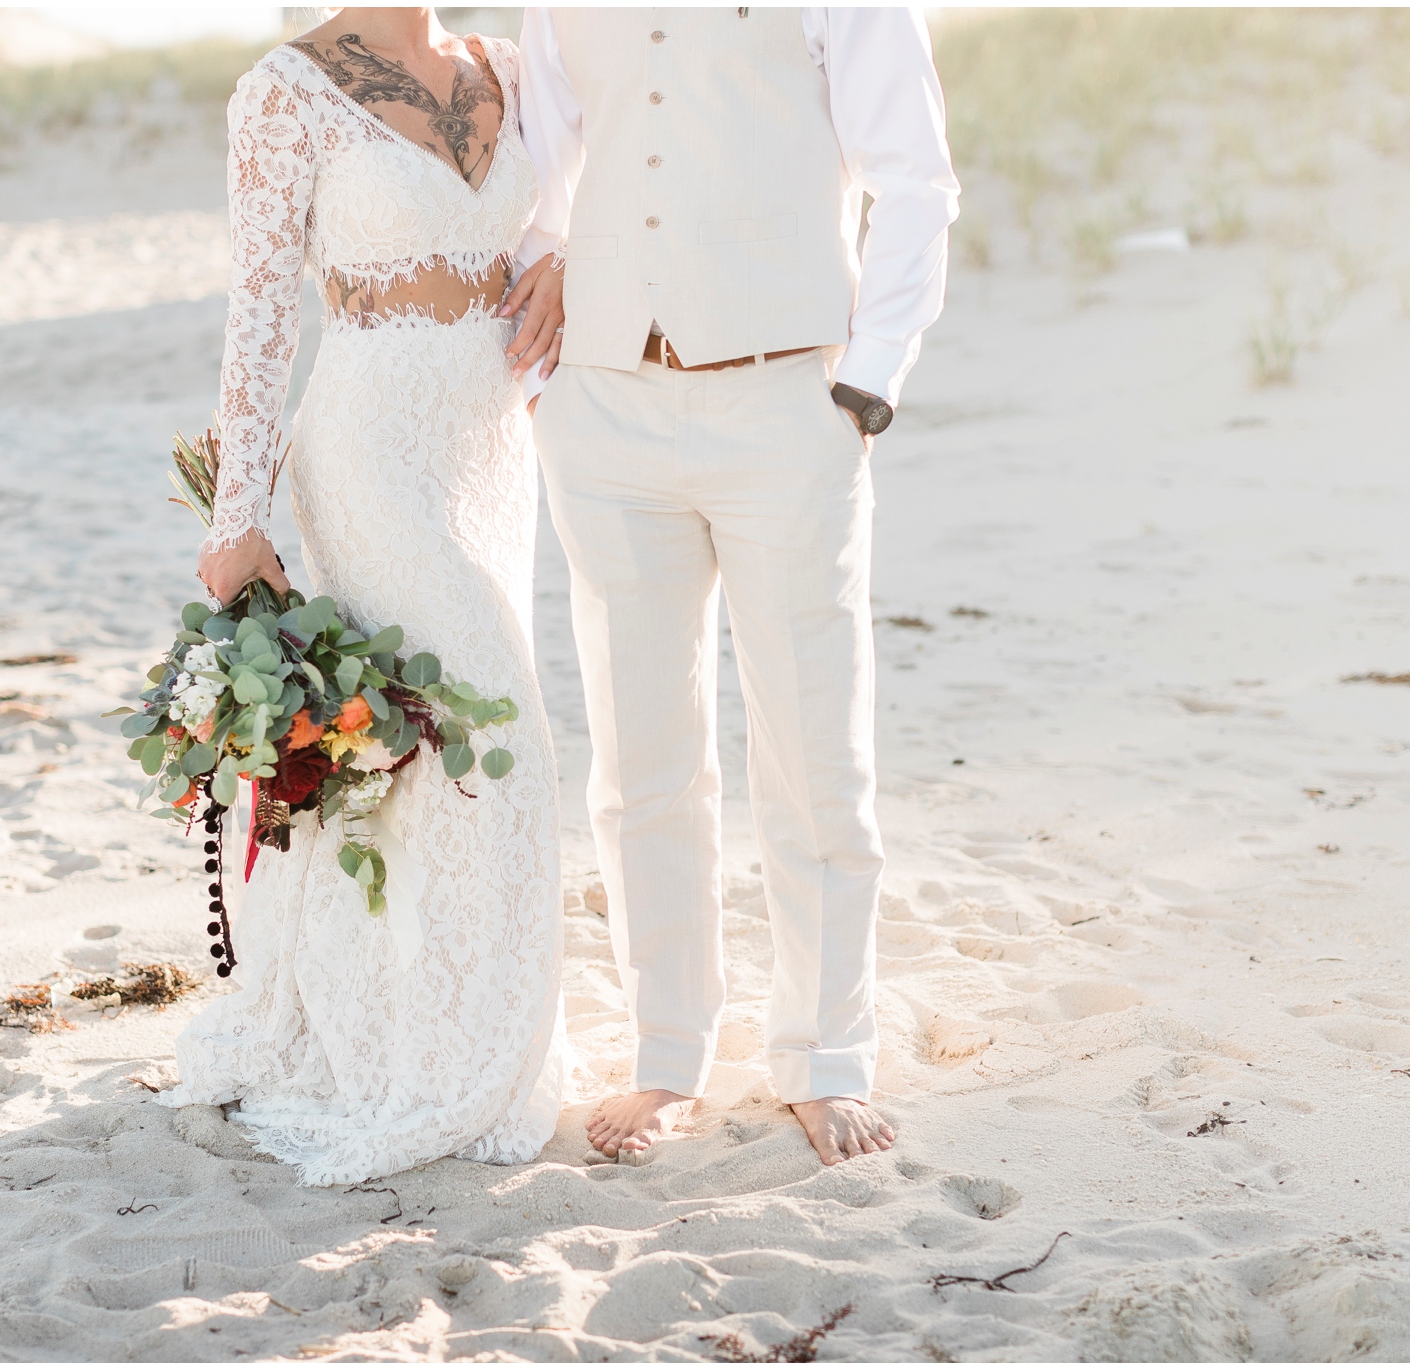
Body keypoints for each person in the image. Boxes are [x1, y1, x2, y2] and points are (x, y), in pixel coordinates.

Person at [517, 7, 960, 1165]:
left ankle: (822, 1053)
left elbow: (914, 175)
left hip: (786, 403)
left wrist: (868, 380)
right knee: (641, 759)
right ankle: (668, 1051)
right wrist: (546, 335)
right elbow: (537, 176)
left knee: (815, 749)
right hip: (604, 404)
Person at [161, 7, 570, 1187]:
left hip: (492, 445)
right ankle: (438, 1047)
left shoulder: (509, 62)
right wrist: (237, 521)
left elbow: (571, 213)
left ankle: (434, 1017)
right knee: (488, 725)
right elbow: (260, 309)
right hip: (368, 448)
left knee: (435, 761)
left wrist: (573, 264)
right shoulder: (282, 90)